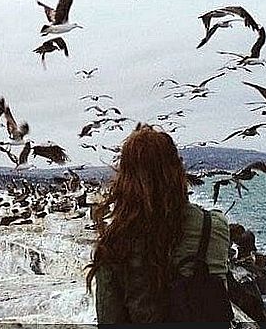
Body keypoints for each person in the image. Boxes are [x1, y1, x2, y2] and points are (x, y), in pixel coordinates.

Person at [86, 124, 231, 326]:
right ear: (178, 171)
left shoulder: (114, 246)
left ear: (125, 180)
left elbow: (109, 319)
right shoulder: (215, 226)